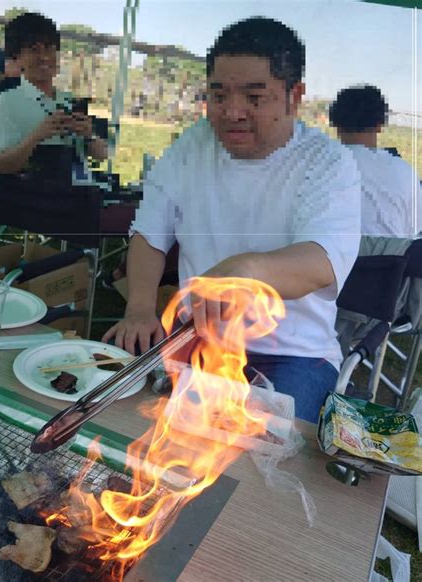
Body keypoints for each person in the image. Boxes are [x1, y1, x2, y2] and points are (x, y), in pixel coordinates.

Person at [102, 17, 362, 423]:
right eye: (219, 95)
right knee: (129, 429)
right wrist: (138, 308)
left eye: (254, 97)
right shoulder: (193, 145)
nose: (232, 111)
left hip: (293, 353)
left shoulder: (327, 162)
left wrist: (243, 269)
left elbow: (322, 263)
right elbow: (150, 231)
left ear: (295, 96)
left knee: (254, 467)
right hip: (196, 337)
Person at [0, 12, 107, 175]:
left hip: (75, 195)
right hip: (33, 197)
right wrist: (36, 137)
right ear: (17, 58)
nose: (44, 57)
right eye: (34, 50)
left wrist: (89, 136)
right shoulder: (6, 103)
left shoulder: (69, 101)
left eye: (50, 48)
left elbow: (102, 156)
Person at [329, 84, 421, 238]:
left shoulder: (316, 167)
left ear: (335, 123)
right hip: (392, 260)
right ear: (379, 126)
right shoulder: (405, 171)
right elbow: (413, 230)